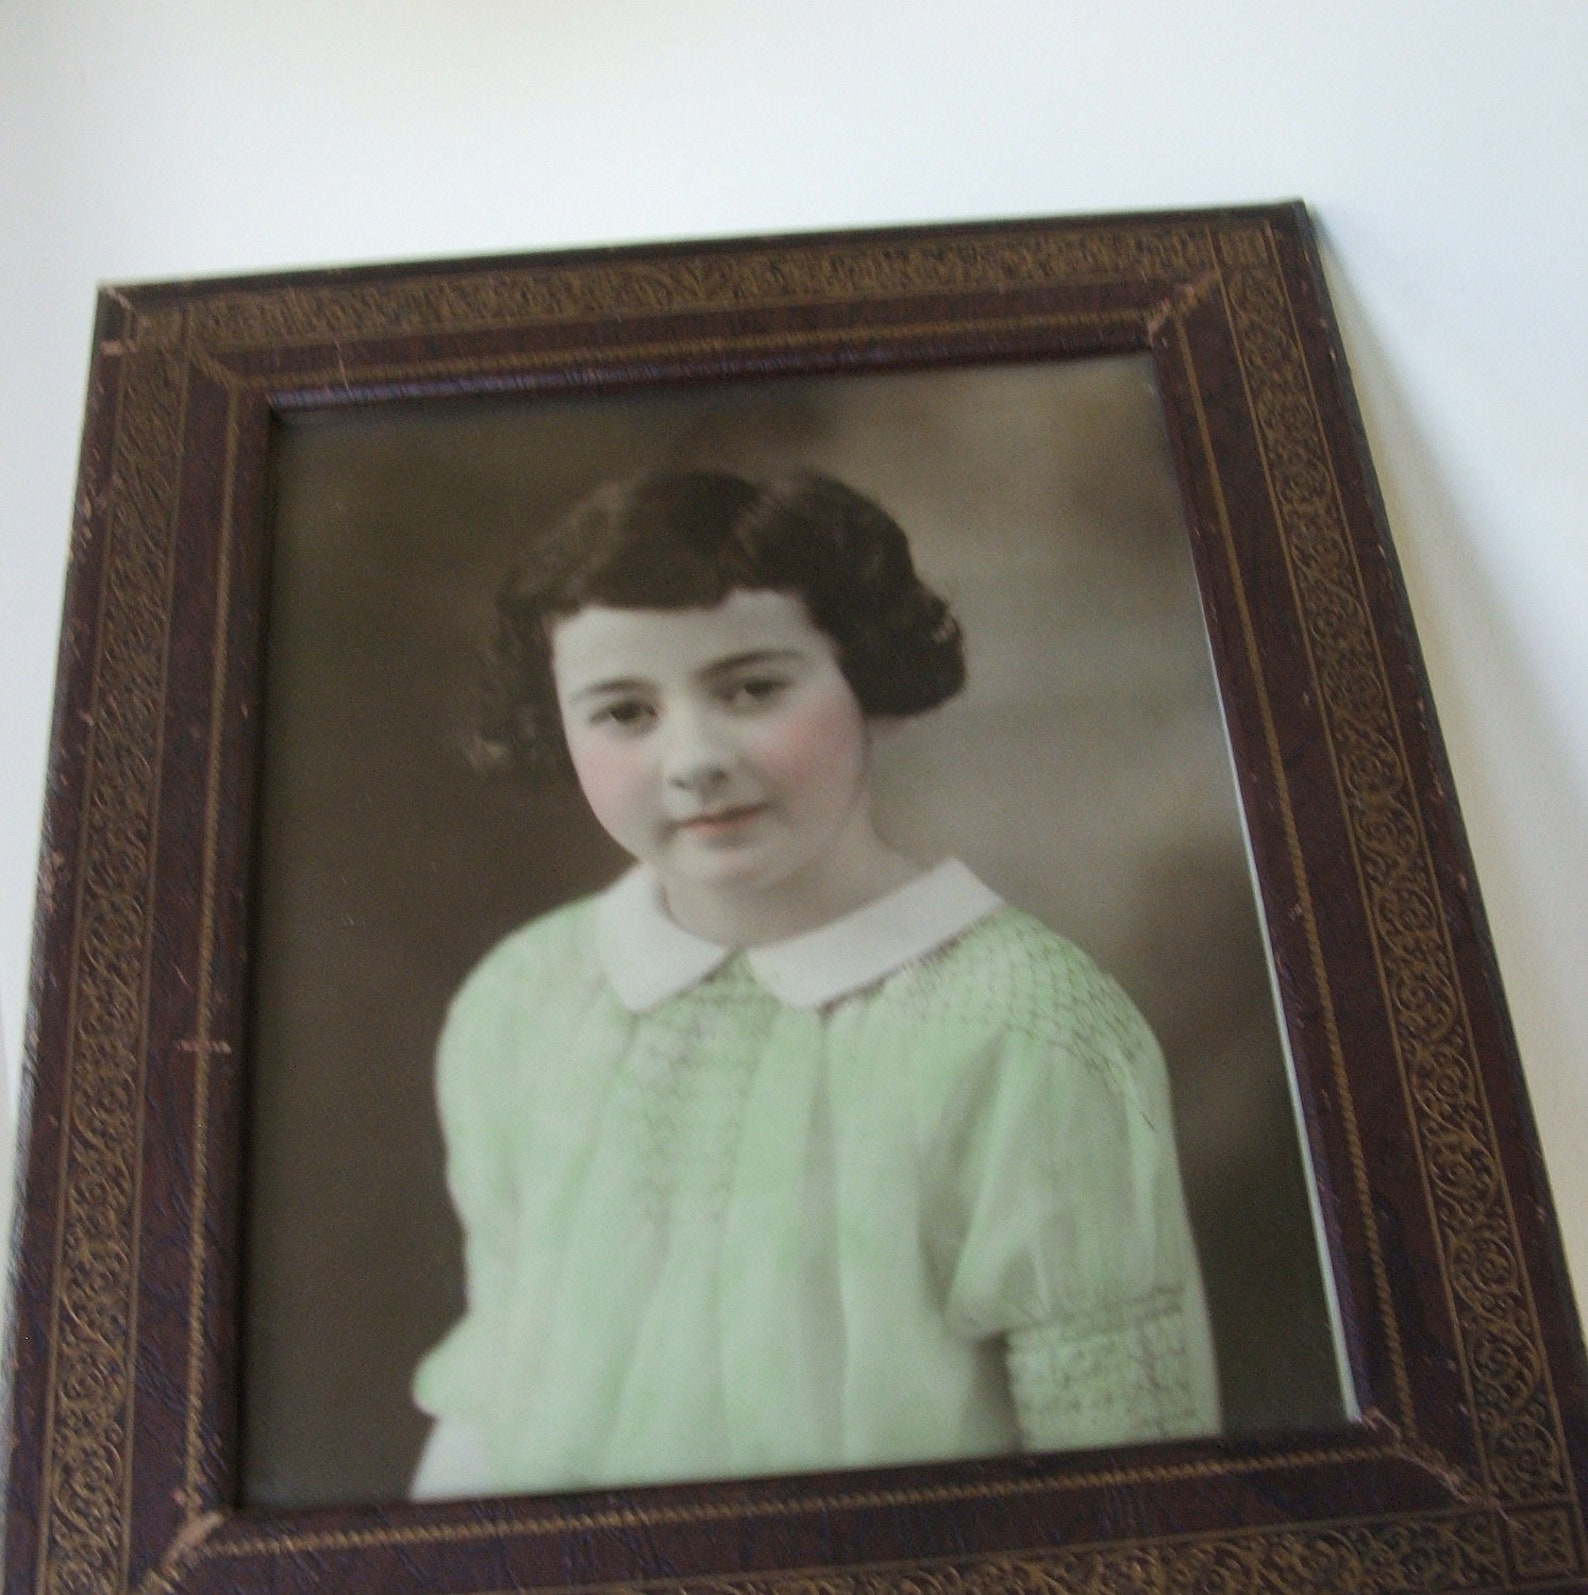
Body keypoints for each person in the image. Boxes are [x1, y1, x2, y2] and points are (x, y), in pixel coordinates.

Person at [409, 470, 1220, 1500]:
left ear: (866, 681)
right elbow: (500, 1384)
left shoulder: (1023, 1028)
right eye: (623, 710)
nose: (694, 757)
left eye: (752, 687)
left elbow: (1127, 1466)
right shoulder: (524, 998)